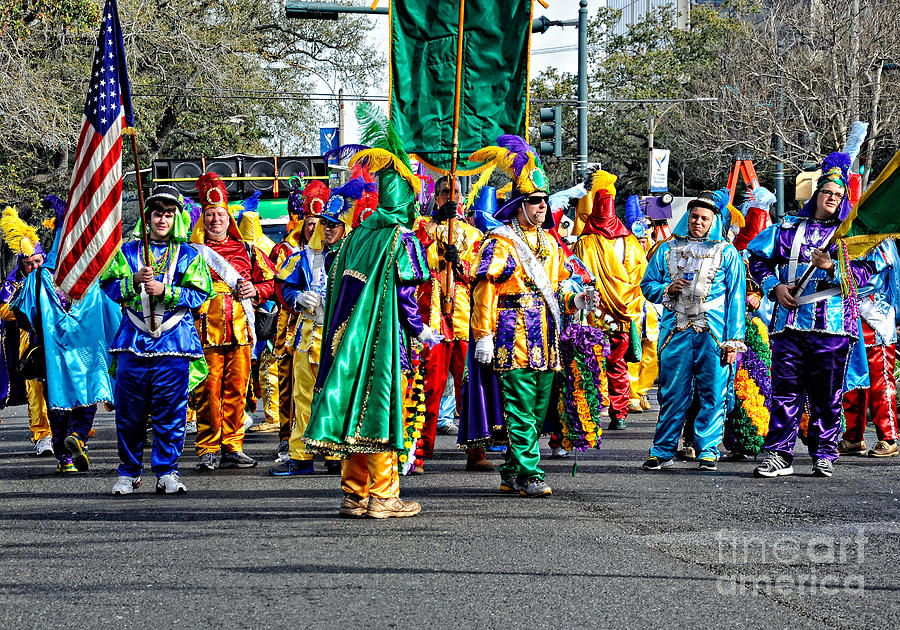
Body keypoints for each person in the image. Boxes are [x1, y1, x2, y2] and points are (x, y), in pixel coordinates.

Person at [303, 113, 440, 518]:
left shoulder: (356, 235)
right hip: (383, 341)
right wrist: (420, 330)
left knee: (351, 407)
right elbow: (406, 294)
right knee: (382, 409)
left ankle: (354, 494)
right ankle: (383, 496)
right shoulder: (402, 238)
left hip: (344, 339)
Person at [466, 135, 591, 497]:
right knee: (520, 409)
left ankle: (510, 471)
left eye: (543, 202)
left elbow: (560, 287)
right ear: (519, 205)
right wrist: (483, 334)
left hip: (547, 339)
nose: (541, 207)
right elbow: (485, 289)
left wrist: (577, 299)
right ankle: (530, 474)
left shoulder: (552, 243)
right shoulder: (499, 242)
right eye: (534, 202)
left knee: (537, 413)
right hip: (511, 335)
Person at [748, 152, 874, 478]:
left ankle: (824, 453)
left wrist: (834, 266)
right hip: (789, 324)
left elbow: (866, 273)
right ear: (816, 194)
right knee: (784, 394)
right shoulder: (788, 229)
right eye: (826, 193)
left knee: (826, 396)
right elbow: (757, 258)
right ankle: (779, 454)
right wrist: (774, 286)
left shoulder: (850, 237)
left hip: (832, 327)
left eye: (837, 195)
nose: (831, 199)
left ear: (844, 199)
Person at [100, 185, 214, 494]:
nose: (161, 220)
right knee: (129, 413)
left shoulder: (190, 254)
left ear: (175, 217)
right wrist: (132, 281)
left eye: (167, 214)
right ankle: (129, 472)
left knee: (171, 412)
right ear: (147, 217)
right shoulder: (127, 252)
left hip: (173, 342)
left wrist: (167, 291)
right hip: (133, 341)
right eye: (156, 214)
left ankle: (167, 471)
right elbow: (107, 286)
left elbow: (202, 293)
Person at [13, 197, 122, 474]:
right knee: (88, 394)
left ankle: (65, 455)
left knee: (59, 401)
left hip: (56, 350)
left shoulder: (39, 277)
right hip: (88, 349)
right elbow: (114, 309)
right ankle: (78, 438)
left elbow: (23, 313)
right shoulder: (94, 275)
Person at [640, 191, 747, 472]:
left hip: (714, 334)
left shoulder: (727, 253)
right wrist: (665, 289)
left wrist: (734, 340)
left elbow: (736, 297)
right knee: (673, 393)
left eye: (704, 218)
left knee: (713, 392)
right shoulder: (666, 249)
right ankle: (662, 450)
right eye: (694, 217)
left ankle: (708, 449)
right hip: (675, 332)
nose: (698, 222)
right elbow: (647, 285)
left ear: (714, 221)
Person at [271, 178, 362, 476]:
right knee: (303, 398)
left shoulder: (354, 256)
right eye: (323, 224)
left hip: (340, 337)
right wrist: (297, 296)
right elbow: (283, 286)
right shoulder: (303, 257)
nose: (327, 229)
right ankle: (301, 456)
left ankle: (334, 453)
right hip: (308, 337)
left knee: (336, 396)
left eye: (333, 224)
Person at [189, 173, 275, 471]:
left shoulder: (246, 250)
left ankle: (233, 447)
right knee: (207, 391)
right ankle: (208, 448)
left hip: (240, 331)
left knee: (237, 391)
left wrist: (256, 291)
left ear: (229, 217)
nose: (216, 220)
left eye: (221, 214)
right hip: (204, 333)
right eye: (210, 215)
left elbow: (270, 283)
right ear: (203, 218)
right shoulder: (190, 254)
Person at [414, 176, 493, 472]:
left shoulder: (474, 234)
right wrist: (435, 224)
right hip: (432, 315)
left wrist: (459, 263)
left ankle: (476, 451)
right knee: (429, 386)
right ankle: (419, 451)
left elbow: (479, 273)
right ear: (436, 197)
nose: (452, 196)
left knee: (470, 385)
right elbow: (413, 257)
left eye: (457, 192)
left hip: (463, 316)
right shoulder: (422, 226)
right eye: (446, 192)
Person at [573, 171, 647, 430]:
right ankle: (620, 412)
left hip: (595, 313)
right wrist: (630, 307)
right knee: (617, 364)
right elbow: (640, 277)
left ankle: (592, 410)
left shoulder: (586, 242)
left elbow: (579, 276)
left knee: (591, 362)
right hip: (624, 315)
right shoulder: (632, 242)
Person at [838, 240, 900, 457]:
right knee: (851, 379)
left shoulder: (882, 242)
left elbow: (876, 278)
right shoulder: (841, 236)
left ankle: (888, 436)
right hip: (848, 317)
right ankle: (853, 436)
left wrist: (834, 273)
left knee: (880, 380)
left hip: (876, 318)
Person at [0, 204, 51, 455]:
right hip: (28, 339)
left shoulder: (51, 276)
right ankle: (42, 434)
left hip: (55, 337)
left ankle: (69, 428)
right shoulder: (13, 282)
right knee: (35, 388)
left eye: (38, 262)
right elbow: (2, 309)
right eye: (29, 263)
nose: (34, 267)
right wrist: (23, 309)